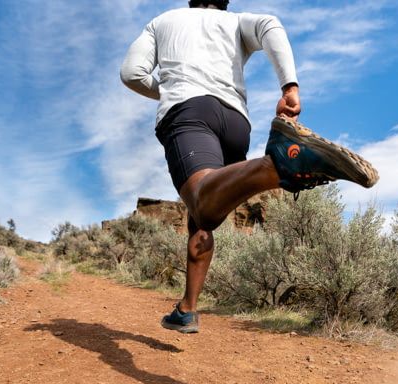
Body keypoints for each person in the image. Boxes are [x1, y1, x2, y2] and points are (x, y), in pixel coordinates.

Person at [120, 0, 378, 334]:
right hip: (235, 121)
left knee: (201, 199)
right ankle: (187, 309)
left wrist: (169, 90)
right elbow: (270, 25)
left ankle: (279, 163)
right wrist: (290, 87)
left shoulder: (163, 22)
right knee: (203, 219)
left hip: (189, 111)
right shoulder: (236, 21)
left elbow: (132, 74)